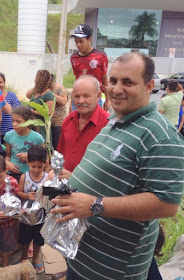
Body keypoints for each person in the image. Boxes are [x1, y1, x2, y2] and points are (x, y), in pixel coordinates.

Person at [51, 52, 184, 279]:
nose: (117, 88)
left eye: (128, 82)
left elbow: (166, 205)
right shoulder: (115, 120)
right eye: (113, 81)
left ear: (149, 85)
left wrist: (95, 205)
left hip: (113, 270)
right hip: (82, 257)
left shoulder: (160, 135)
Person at [57, 75, 109, 175]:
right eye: (77, 96)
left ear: (98, 96)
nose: (81, 101)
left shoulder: (107, 125)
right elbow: (60, 154)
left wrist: (74, 178)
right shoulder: (68, 121)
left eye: (86, 96)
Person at [17, 145, 48, 274]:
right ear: (28, 163)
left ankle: (36, 257)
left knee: (38, 240)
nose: (36, 169)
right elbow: (18, 192)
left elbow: (50, 197)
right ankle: (24, 258)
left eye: (39, 167)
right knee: (25, 240)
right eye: (33, 166)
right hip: (26, 217)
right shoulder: (25, 177)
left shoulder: (47, 178)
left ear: (44, 165)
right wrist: (27, 196)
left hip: (41, 217)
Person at [69, 23, 110, 112]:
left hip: (94, 99)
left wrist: (108, 100)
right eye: (76, 41)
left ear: (89, 39)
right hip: (78, 99)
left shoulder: (100, 56)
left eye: (81, 41)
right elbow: (77, 80)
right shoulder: (73, 58)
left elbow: (104, 78)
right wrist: (71, 104)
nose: (78, 45)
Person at [4, 106, 45, 182]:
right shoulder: (9, 136)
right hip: (12, 174)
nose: (14, 124)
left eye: (18, 121)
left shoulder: (37, 138)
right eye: (13, 121)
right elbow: (8, 156)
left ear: (28, 122)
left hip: (30, 175)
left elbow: (44, 158)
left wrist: (29, 156)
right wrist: (7, 163)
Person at [26, 70, 55, 149]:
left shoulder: (48, 94)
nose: (35, 80)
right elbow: (27, 94)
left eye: (37, 78)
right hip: (32, 124)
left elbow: (49, 113)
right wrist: (36, 87)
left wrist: (33, 111)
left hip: (41, 126)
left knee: (40, 146)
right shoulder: (35, 92)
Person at [0, 72, 21, 143]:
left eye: (1, 82)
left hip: (10, 130)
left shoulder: (11, 95)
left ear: (4, 83)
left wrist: (0, 96)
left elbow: (18, 110)